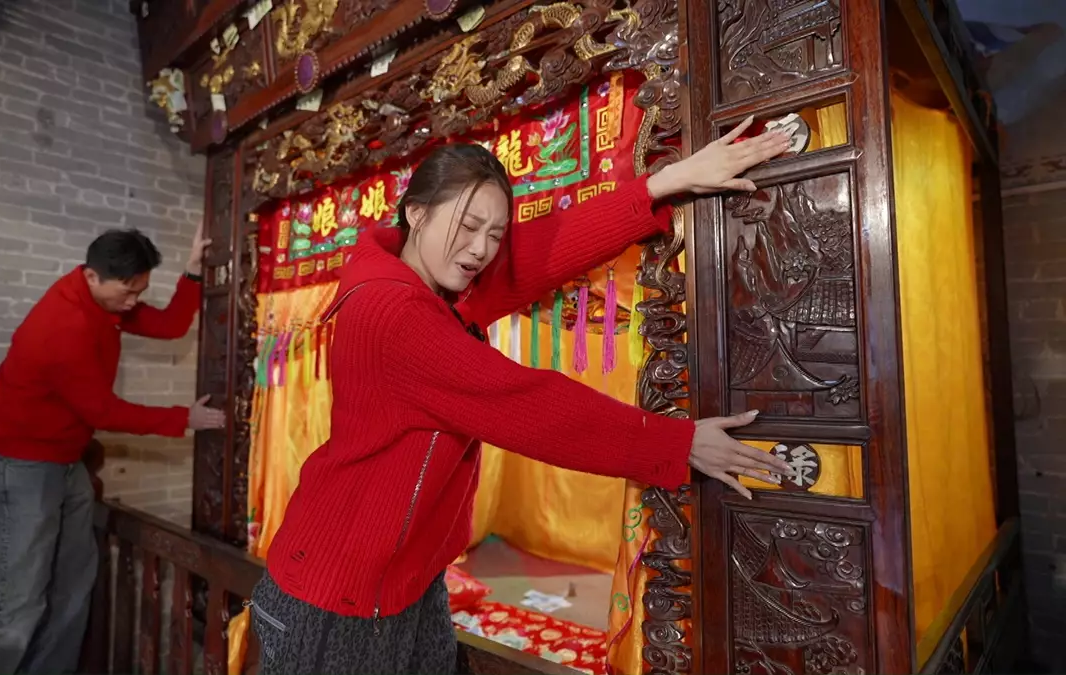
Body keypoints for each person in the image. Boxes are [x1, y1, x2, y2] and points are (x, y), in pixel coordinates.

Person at [247, 118, 796, 674]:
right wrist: (678, 444)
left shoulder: (432, 286)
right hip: (334, 595)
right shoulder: (395, 314)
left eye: (494, 233)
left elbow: (536, 254)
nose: (481, 249)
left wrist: (664, 183)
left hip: (406, 582)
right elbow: (524, 405)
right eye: (468, 226)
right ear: (416, 212)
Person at [0, 225, 226, 675]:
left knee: (73, 584)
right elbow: (103, 410)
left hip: (65, 460)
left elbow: (170, 325)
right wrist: (183, 418)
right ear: (91, 276)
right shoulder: (63, 326)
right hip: (19, 465)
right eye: (128, 291)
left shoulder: (108, 303)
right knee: (14, 596)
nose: (134, 302)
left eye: (140, 291)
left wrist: (193, 272)